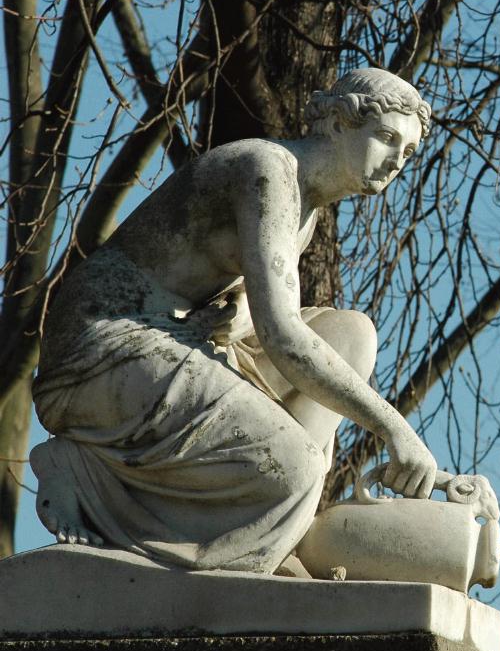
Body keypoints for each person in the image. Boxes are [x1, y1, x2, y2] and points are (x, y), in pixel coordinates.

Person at [30, 68, 439, 574]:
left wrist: (241, 307)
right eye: (386, 137)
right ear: (336, 123)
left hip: (182, 333)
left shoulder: (306, 212)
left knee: (352, 333)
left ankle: (283, 525)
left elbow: (249, 298)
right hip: (104, 348)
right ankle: (90, 475)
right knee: (295, 470)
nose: (398, 160)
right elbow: (284, 335)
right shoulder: (266, 169)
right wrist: (394, 428)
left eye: (410, 150)